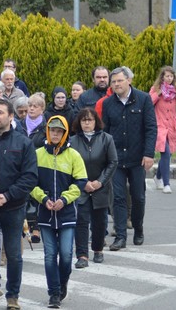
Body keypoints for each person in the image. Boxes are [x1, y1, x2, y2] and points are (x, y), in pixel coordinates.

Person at [0, 98, 38, 310]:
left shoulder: (23, 142)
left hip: (14, 209)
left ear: (11, 116)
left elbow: (29, 177)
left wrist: (6, 196)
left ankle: (12, 297)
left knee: (14, 256)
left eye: (0, 112)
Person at [30, 116, 87, 308]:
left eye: (59, 131)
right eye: (52, 130)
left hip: (67, 213)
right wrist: (44, 199)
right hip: (45, 214)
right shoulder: (37, 154)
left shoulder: (73, 155)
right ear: (47, 131)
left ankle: (62, 283)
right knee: (49, 255)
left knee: (66, 254)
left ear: (64, 134)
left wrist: (64, 199)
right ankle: (53, 293)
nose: (55, 134)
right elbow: (31, 182)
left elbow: (80, 182)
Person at [103, 66, 157, 249]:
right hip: (116, 159)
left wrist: (149, 154)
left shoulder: (143, 99)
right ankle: (120, 236)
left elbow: (151, 128)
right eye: (114, 81)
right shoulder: (108, 103)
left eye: (119, 80)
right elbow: (105, 132)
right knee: (118, 198)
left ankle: (138, 227)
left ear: (129, 80)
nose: (116, 84)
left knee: (138, 197)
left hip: (137, 158)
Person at [71, 108, 117, 267]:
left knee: (100, 222)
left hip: (100, 187)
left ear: (96, 122)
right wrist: (84, 183)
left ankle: (98, 249)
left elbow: (112, 162)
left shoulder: (106, 139)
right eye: (84, 120)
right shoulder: (73, 141)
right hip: (81, 187)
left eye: (90, 120)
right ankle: (82, 255)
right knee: (81, 221)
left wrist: (100, 182)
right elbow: (70, 165)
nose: (87, 123)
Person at [150, 66, 176, 194]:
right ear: (162, 77)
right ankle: (167, 184)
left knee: (168, 154)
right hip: (159, 126)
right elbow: (148, 103)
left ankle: (158, 176)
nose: (169, 78)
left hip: (172, 126)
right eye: (167, 76)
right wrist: (158, 94)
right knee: (165, 153)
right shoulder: (156, 89)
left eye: (171, 76)